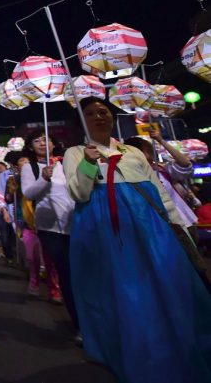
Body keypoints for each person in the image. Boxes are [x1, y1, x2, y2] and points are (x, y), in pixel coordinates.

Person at [63, 98, 211, 383]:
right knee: (127, 292)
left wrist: (176, 225)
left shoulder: (133, 152)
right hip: (108, 233)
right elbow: (79, 194)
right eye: (90, 113)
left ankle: (177, 344)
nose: (98, 117)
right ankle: (136, 352)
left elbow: (158, 192)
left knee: (167, 285)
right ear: (81, 121)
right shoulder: (75, 153)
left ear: (113, 117)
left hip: (150, 230)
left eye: (104, 112)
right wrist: (89, 164)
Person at [19, 130, 77, 327]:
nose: (43, 143)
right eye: (37, 140)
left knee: (80, 271)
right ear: (30, 146)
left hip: (74, 222)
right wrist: (43, 178)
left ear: (54, 144)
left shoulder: (67, 163)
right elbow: (29, 193)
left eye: (46, 139)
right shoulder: (30, 167)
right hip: (49, 227)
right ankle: (78, 322)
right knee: (66, 273)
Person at [125, 128, 199, 241]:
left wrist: (161, 140)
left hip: (184, 223)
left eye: (146, 149)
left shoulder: (161, 169)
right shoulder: (129, 175)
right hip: (158, 229)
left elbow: (185, 164)